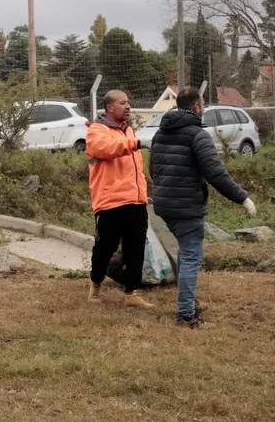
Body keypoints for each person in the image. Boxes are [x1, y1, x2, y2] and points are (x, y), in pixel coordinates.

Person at [150, 87, 257, 328]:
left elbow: (153, 171)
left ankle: (187, 303)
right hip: (186, 206)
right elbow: (216, 174)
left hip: (164, 205)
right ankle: (186, 315)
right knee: (190, 256)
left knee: (185, 253)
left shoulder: (160, 134)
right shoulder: (198, 135)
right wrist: (242, 198)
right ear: (197, 107)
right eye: (203, 105)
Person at [86, 90, 154, 308]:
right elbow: (105, 149)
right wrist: (135, 143)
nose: (128, 106)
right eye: (122, 103)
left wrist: (143, 192)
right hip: (110, 201)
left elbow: (136, 168)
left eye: (128, 102)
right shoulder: (97, 130)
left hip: (135, 201)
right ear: (109, 108)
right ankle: (96, 283)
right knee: (105, 247)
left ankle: (132, 292)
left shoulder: (129, 131)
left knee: (136, 248)